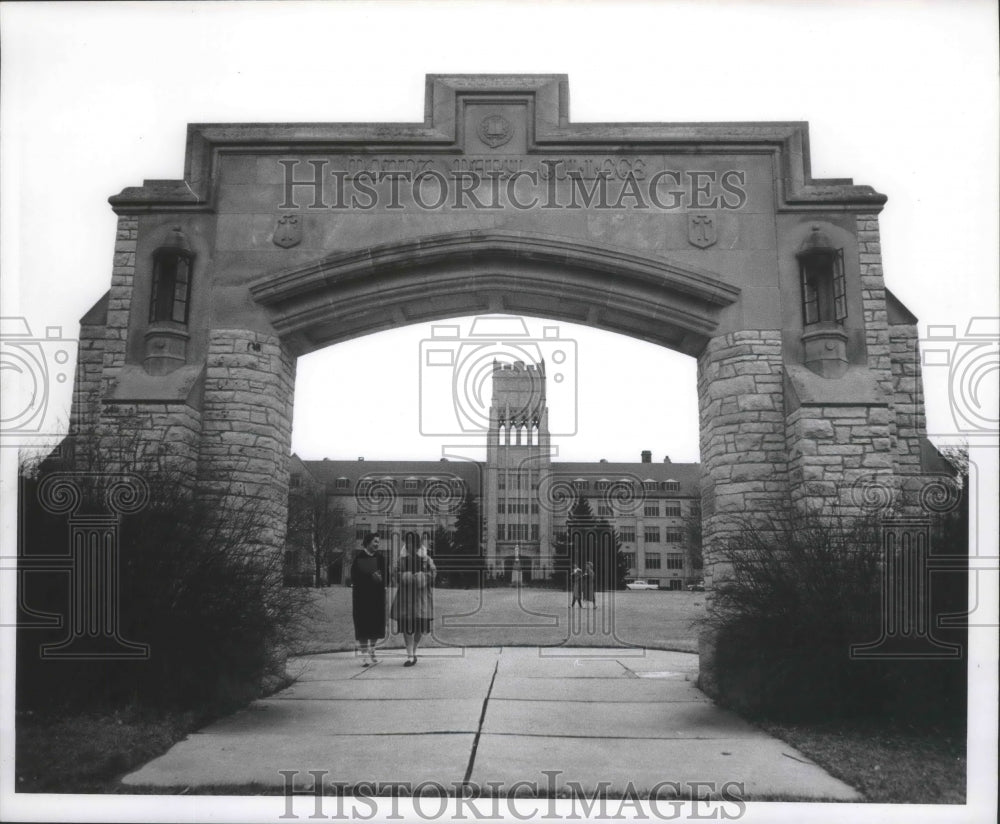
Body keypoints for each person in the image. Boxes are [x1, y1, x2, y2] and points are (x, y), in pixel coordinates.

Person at [391, 535, 436, 666]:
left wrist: (423, 577)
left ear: (416, 544)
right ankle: (410, 655)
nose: (408, 544)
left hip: (421, 599)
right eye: (407, 542)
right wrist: (404, 576)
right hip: (406, 598)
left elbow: (433, 573)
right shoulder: (402, 560)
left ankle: (414, 652)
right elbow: (395, 573)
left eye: (411, 542)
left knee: (419, 627)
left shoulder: (426, 559)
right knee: (406, 626)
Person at [350, 532, 386, 666]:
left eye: (378, 542)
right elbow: (354, 578)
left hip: (377, 597)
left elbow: (386, 577)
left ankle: (372, 649)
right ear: (368, 542)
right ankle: (364, 655)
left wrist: (381, 579)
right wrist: (370, 578)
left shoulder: (381, 558)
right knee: (363, 625)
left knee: (376, 624)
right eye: (375, 541)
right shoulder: (359, 558)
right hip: (362, 598)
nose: (377, 544)